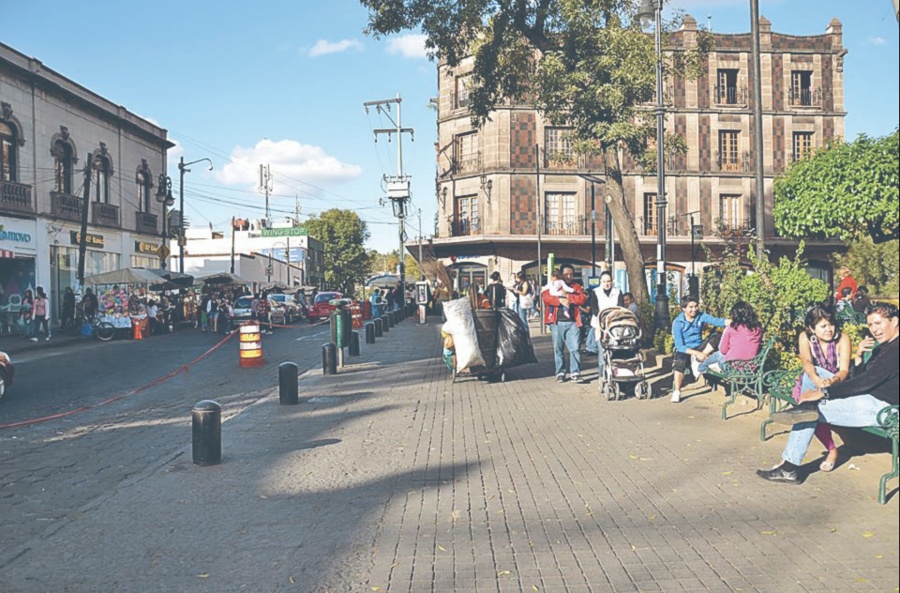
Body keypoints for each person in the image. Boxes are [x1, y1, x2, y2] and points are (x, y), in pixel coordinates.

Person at [757, 302, 899, 485]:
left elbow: (865, 382)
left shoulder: (896, 350)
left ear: (894, 321)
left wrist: (824, 392)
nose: (874, 330)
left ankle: (789, 466)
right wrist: (858, 357)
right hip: (868, 399)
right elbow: (860, 377)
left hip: (885, 409)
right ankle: (802, 414)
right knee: (810, 398)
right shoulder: (884, 346)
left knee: (808, 412)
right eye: (870, 325)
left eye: (878, 323)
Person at [787, 305, 852, 472]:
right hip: (812, 383)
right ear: (812, 328)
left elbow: (844, 370)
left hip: (836, 385)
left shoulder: (843, 339)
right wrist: (816, 379)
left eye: (831, 324)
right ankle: (831, 451)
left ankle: (787, 462)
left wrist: (831, 381)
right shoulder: (805, 337)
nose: (829, 330)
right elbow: (807, 362)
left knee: (807, 410)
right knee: (811, 411)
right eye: (823, 326)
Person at [670, 295, 729, 403]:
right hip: (685, 349)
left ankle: (698, 360)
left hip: (700, 346)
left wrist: (731, 322)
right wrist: (696, 353)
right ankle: (677, 391)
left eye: (696, 306)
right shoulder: (677, 323)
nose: (694, 309)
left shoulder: (701, 316)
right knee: (679, 363)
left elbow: (717, 321)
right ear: (684, 308)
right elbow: (679, 346)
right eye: (691, 307)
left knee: (717, 336)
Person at [542, 264, 588, 383]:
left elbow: (582, 298)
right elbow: (546, 298)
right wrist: (560, 300)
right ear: (561, 275)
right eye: (566, 274)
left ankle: (575, 372)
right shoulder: (553, 284)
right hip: (556, 322)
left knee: (575, 349)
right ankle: (560, 372)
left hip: (573, 322)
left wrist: (567, 296)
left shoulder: (576, 286)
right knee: (558, 349)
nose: (569, 276)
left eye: (571, 274)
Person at [696, 300, 763, 374]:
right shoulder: (758, 329)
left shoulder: (732, 327)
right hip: (750, 367)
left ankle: (702, 366)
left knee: (719, 354)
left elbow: (723, 350)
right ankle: (704, 366)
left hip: (732, 368)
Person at [589, 271, 624, 382]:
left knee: (616, 350)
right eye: (604, 281)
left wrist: (613, 317)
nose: (606, 284)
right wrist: (603, 318)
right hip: (600, 325)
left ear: (612, 281)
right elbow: (594, 308)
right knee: (602, 351)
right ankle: (602, 375)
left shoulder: (617, 292)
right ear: (600, 282)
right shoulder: (595, 292)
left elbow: (620, 307)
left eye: (608, 281)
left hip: (614, 325)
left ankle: (616, 373)